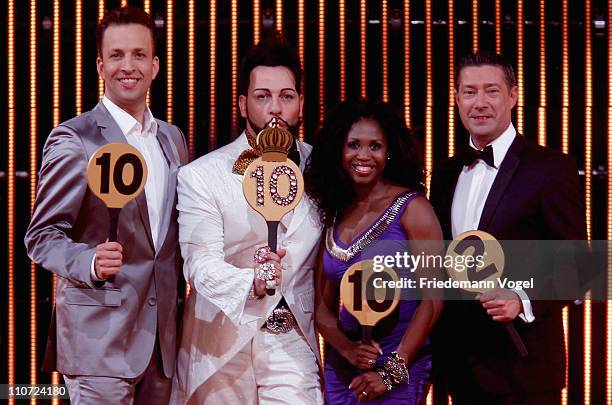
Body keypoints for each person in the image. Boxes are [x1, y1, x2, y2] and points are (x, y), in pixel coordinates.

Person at [24, 6, 188, 405]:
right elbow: (41, 236)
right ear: (99, 65)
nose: (127, 66)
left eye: (138, 55)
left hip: (161, 349)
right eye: (116, 55)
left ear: (155, 65)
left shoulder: (172, 139)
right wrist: (90, 262)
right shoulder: (74, 139)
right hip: (98, 343)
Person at [171, 31, 323, 404]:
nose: (275, 109)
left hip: (294, 341)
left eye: (286, 97)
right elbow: (199, 263)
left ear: (300, 104)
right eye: (262, 97)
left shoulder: (326, 169)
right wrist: (251, 283)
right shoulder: (201, 175)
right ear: (242, 104)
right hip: (222, 343)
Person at [429, 51, 587, 404]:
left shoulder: (550, 168)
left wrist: (522, 298)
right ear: (456, 99)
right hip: (459, 367)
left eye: (492, 91)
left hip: (524, 369)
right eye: (469, 92)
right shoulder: (445, 173)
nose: (479, 103)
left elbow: (580, 264)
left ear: (513, 96)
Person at [305, 99, 444, 404]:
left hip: (402, 366)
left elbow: (433, 299)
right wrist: (347, 349)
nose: (363, 155)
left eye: (375, 146)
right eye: (353, 145)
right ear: (339, 151)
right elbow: (322, 307)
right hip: (345, 373)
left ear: (389, 151)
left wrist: (393, 371)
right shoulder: (334, 214)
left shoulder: (413, 208)